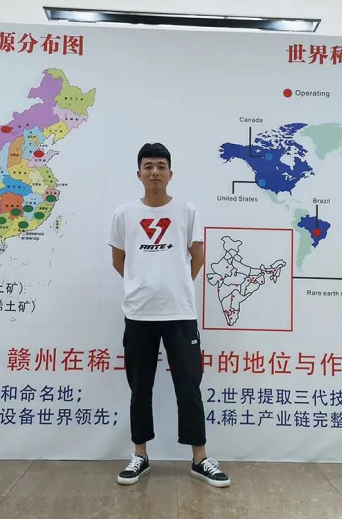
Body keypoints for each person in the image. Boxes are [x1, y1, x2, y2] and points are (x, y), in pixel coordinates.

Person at [108, 142, 230, 488]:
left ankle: (200, 458)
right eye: (148, 166)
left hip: (179, 312)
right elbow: (119, 260)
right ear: (139, 174)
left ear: (170, 173)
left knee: (189, 385)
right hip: (139, 313)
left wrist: (175, 285)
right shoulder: (124, 214)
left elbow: (198, 255)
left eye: (161, 166)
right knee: (140, 386)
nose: (155, 172)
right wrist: (142, 285)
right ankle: (140, 455)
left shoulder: (186, 211)